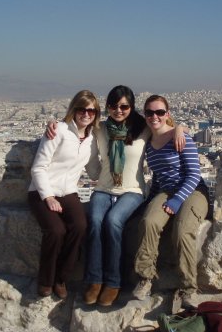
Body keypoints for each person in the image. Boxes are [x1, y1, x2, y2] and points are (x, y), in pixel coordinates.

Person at [46, 85, 185, 307]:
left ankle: (113, 282)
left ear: (131, 107)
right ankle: (94, 280)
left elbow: (168, 125)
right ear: (107, 106)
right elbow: (76, 128)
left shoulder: (143, 128)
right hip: (103, 188)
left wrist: (180, 129)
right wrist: (53, 124)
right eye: (113, 105)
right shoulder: (100, 128)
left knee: (113, 222)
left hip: (133, 191)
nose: (118, 110)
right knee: (94, 221)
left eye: (124, 106)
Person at [132, 94, 209, 308]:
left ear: (168, 114)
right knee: (148, 222)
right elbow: (159, 175)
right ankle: (145, 278)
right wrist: (150, 200)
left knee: (183, 230)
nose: (154, 116)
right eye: (150, 112)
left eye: (159, 112)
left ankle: (188, 288)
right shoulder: (149, 144)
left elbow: (194, 175)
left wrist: (176, 201)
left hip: (193, 191)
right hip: (165, 191)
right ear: (145, 115)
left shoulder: (182, 138)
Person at [28, 90, 100, 299]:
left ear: (96, 114)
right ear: (74, 110)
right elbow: (38, 168)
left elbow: (94, 170)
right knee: (56, 230)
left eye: (91, 111)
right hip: (42, 191)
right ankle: (46, 280)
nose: (86, 114)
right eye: (82, 109)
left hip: (69, 192)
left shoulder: (92, 139)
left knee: (80, 227)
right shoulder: (58, 131)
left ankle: (62, 278)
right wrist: (48, 197)